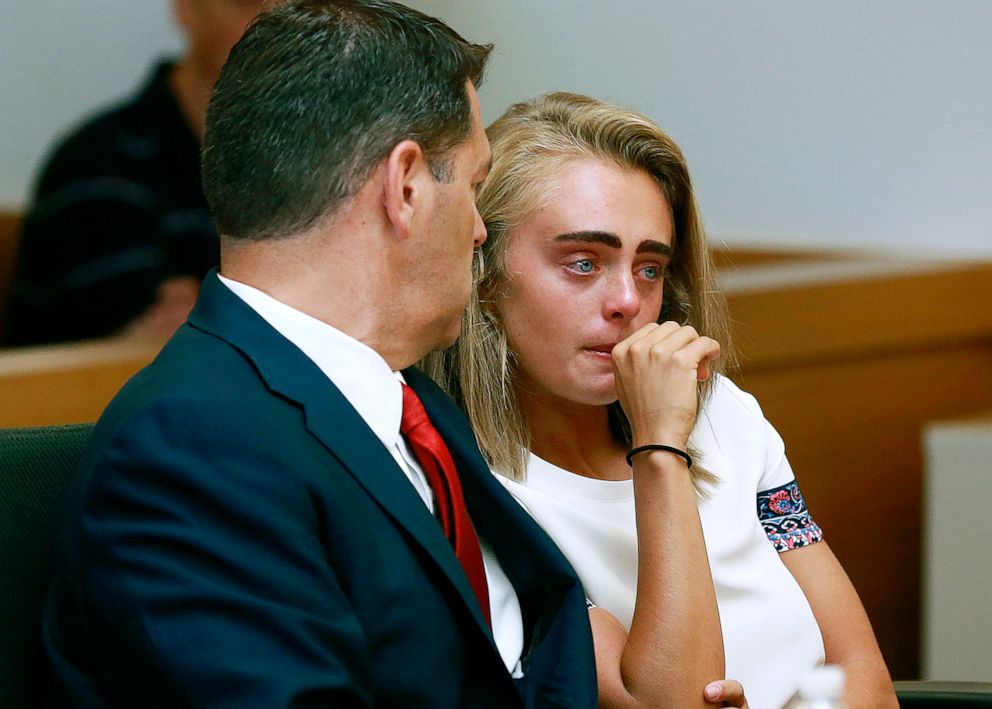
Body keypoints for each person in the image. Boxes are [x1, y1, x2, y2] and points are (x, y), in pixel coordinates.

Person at [40, 4, 603, 707]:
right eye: (475, 185)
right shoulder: (191, 448)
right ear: (405, 188)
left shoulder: (413, 403)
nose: (482, 229)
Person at [425, 92, 898, 709]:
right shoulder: (466, 489)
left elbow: (861, 672)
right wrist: (659, 447)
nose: (626, 300)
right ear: (484, 273)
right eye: (583, 262)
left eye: (649, 268)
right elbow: (666, 702)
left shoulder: (723, 413)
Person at [4, 1, 269, 346]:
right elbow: (152, 338)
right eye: (247, 3)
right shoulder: (97, 164)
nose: (279, 20)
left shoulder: (329, 159)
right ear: (187, 8)